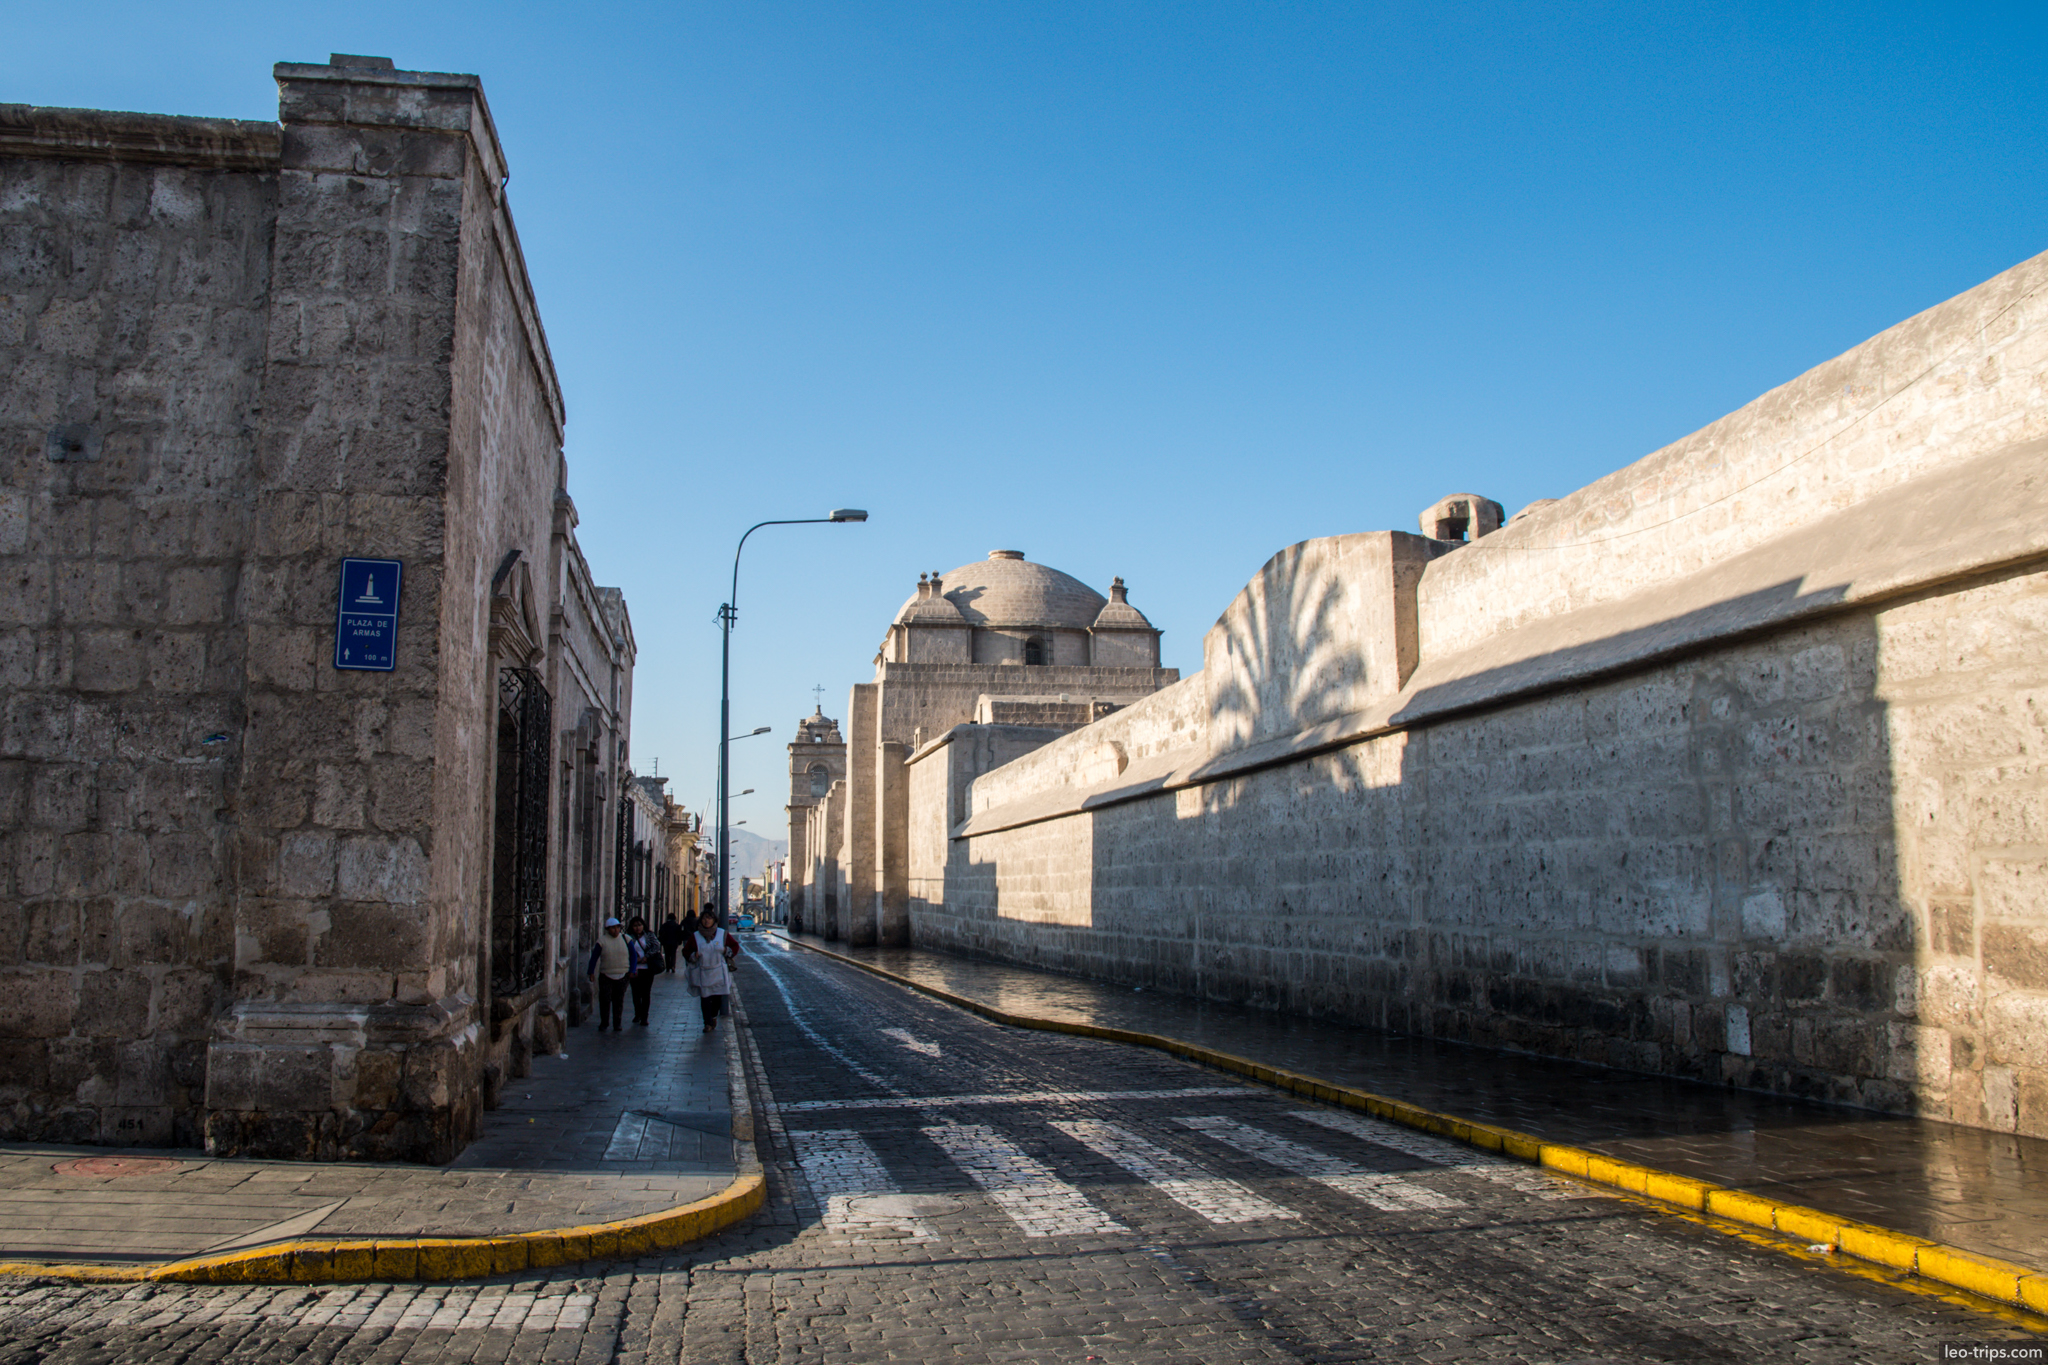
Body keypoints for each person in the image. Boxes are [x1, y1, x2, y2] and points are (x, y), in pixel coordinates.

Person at [682, 907, 741, 1034]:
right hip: (703, 972)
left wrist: (727, 951)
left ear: (714, 920)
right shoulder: (696, 936)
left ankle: (713, 1016)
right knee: (705, 1000)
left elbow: (734, 946)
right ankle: (707, 1023)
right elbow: (686, 951)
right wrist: (693, 956)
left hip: (719, 973)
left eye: (709, 918)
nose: (706, 921)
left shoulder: (722, 934)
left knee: (716, 1000)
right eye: (704, 918)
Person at [585, 916, 641, 1032]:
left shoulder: (626, 939)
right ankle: (604, 1022)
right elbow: (594, 957)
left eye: (617, 928)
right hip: (606, 974)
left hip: (622, 974)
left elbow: (633, 956)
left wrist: (632, 970)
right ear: (608, 929)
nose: (615, 930)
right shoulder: (602, 941)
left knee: (618, 1000)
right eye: (612, 928)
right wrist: (591, 971)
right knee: (605, 1000)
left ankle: (617, 1023)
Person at [627, 915, 663, 1026]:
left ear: (643, 925)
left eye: (639, 925)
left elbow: (656, 946)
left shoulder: (649, 935)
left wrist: (646, 956)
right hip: (635, 968)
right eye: (635, 926)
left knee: (646, 993)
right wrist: (635, 958)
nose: (638, 928)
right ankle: (637, 1013)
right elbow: (626, 950)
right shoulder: (628, 937)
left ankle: (644, 1016)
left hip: (647, 969)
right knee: (636, 993)